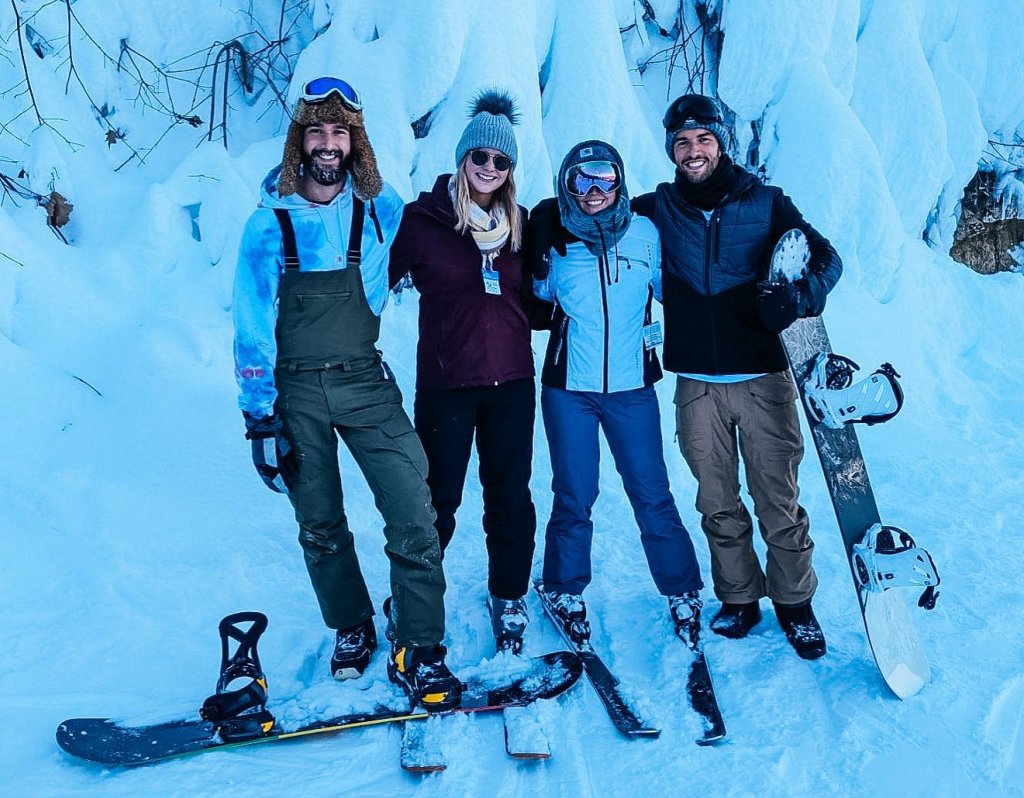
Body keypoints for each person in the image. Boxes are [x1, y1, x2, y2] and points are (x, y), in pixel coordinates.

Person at [232, 76, 460, 709]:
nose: (328, 143)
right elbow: (250, 324)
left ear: (355, 143)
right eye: (317, 130)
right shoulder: (267, 225)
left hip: (365, 379)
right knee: (320, 523)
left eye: (340, 132)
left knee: (414, 510)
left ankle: (418, 644)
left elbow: (442, 233)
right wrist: (258, 420)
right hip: (295, 391)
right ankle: (353, 624)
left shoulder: (380, 209)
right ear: (298, 141)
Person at [633, 93, 843, 660]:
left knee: (778, 497)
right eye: (682, 142)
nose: (692, 151)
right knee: (716, 499)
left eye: (703, 139)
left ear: (721, 142)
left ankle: (795, 604)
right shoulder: (658, 207)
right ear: (672, 151)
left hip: (762, 379)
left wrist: (799, 297)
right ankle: (739, 597)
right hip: (695, 382)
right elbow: (598, 217)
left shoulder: (767, 202)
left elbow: (827, 259)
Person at [525, 140, 705, 650]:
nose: (594, 191)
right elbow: (534, 298)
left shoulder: (646, 234)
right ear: (567, 184)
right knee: (575, 493)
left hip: (632, 389)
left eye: (605, 178)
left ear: (620, 181)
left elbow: (680, 289)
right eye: (582, 179)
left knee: (651, 491)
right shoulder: (553, 240)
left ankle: (682, 589)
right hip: (570, 392)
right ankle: (564, 587)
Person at [388, 90, 539, 654]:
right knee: (436, 500)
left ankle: (510, 596)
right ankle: (415, 596)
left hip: (512, 387)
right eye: (480, 157)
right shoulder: (423, 222)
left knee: (509, 496)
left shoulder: (521, 227)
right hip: (447, 386)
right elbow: (371, 281)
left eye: (501, 162)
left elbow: (540, 302)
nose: (489, 169)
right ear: (462, 158)